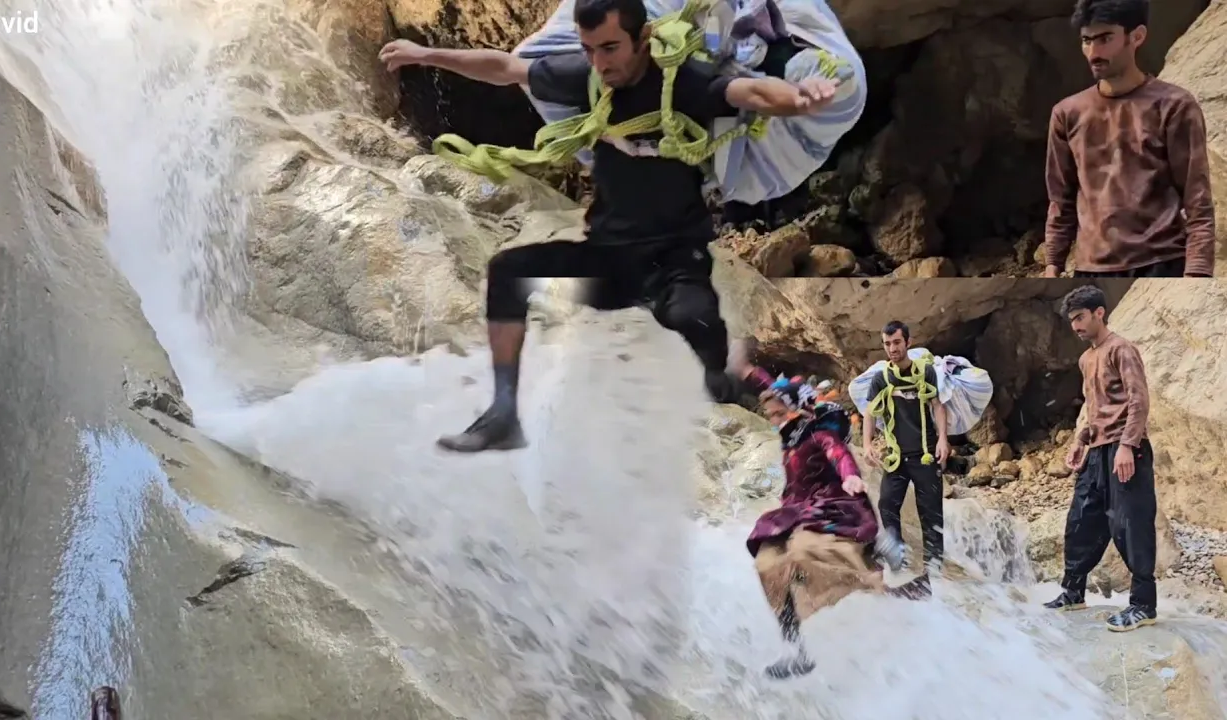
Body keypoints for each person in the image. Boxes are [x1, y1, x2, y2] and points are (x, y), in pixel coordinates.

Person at [379, 0, 841, 452]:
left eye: (610, 48)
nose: (599, 62)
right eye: (589, 49)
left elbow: (751, 94)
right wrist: (424, 55)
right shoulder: (589, 81)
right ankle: (502, 415)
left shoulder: (682, 84)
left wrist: (800, 99)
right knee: (509, 273)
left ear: (643, 39)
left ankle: (726, 380)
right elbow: (505, 68)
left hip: (673, 263)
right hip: (607, 267)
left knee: (690, 320)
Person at [728, 341, 924, 679]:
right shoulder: (790, 431)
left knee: (806, 553)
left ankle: (879, 558)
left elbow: (839, 455)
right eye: (770, 416)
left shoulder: (819, 435)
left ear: (798, 409)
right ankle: (795, 649)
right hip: (794, 511)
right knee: (768, 564)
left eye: (778, 414)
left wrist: (850, 478)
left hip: (830, 506)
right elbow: (771, 387)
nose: (774, 421)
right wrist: (746, 369)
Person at [1042, 0, 1216, 279]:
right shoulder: (1067, 114)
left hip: (1163, 262)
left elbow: (1197, 200)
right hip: (1091, 268)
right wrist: (1053, 264)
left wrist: (1197, 272)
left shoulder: (1174, 106)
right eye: (1087, 41)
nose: (1093, 52)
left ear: (1137, 36)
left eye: (1105, 39)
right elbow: (1060, 200)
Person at [1043, 285, 1158, 632]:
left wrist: (1127, 445)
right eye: (1071, 320)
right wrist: (1081, 440)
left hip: (1126, 450)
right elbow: (1096, 410)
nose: (1075, 326)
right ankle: (1073, 592)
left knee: (1130, 525)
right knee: (1081, 521)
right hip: (1097, 451)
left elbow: (1139, 401)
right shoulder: (1086, 358)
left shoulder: (1121, 349)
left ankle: (1143, 606)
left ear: (1099, 313)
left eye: (1080, 317)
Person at [861, 321, 950, 573]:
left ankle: (934, 569)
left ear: (908, 343)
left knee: (931, 513)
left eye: (897, 342)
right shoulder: (881, 379)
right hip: (896, 457)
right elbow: (869, 413)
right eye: (887, 344)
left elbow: (937, 405)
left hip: (925, 455)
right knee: (887, 504)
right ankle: (898, 564)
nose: (892, 348)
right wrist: (867, 444)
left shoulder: (926, 373)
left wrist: (943, 438)